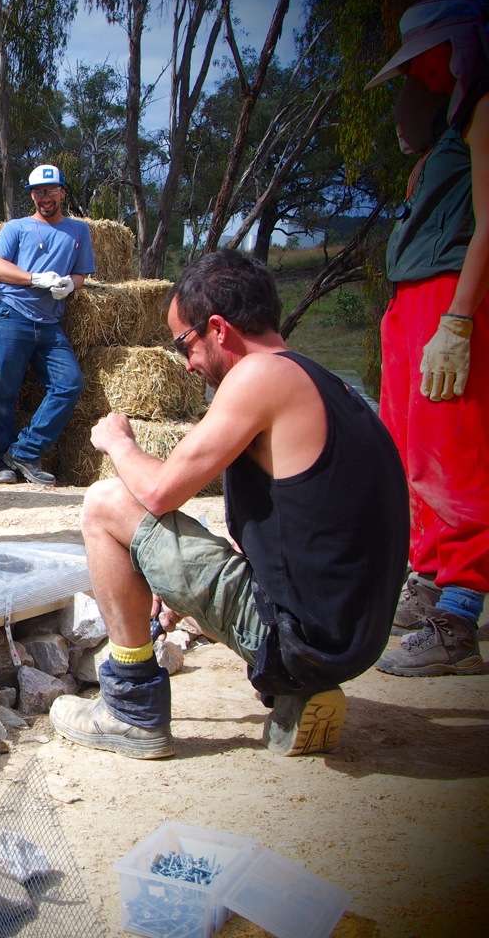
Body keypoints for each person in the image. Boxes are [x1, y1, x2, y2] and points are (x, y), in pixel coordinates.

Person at [50, 250, 408, 759]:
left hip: (301, 640)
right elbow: (289, 533)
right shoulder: (325, 385)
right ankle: (297, 689)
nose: (189, 364)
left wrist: (118, 442)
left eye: (184, 344)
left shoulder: (258, 377)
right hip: (351, 638)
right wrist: (182, 594)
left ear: (217, 327)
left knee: (107, 503)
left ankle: (131, 707)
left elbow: (158, 492)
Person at [365, 0, 489, 677]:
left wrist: (459, 319)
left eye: (430, 59)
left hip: (448, 298)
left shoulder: (483, 108)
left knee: (456, 454)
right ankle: (432, 579)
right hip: (416, 302)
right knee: (413, 452)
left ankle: (459, 616)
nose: (425, 75)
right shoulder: (448, 128)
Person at [0, 163, 94, 487]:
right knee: (4, 390)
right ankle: (2, 461)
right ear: (32, 195)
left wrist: (71, 285)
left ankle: (24, 451)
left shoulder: (78, 231)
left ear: (62, 191)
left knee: (69, 382)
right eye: (38, 191)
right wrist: (34, 278)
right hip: (11, 313)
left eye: (50, 190)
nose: (44, 197)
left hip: (49, 322)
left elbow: (81, 274)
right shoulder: (16, 228)